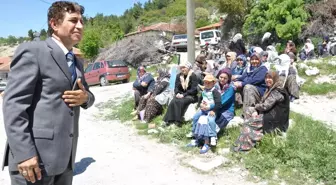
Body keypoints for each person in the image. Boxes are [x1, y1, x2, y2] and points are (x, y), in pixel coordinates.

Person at [2, 1, 95, 185]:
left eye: (82, 22)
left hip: (65, 160)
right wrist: (24, 154)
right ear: (54, 24)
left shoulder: (76, 61)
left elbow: (88, 94)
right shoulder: (34, 52)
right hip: (33, 162)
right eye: (73, 20)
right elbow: (13, 106)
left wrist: (86, 98)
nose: (80, 26)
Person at [232, 71, 289, 152]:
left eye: (270, 78)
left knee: (250, 123)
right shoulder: (270, 89)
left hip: (276, 119)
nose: (267, 80)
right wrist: (255, 109)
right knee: (249, 110)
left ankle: (245, 146)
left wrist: (256, 107)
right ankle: (246, 137)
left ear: (275, 79)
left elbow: (265, 106)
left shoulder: (277, 91)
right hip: (269, 113)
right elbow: (262, 103)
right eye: (266, 78)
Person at [187, 74, 221, 154]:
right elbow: (201, 98)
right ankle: (194, 132)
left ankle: (212, 136)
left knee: (210, 120)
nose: (207, 84)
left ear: (213, 83)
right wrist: (199, 105)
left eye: (209, 83)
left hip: (211, 110)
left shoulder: (215, 92)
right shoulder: (204, 90)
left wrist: (214, 110)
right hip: (203, 109)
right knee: (195, 117)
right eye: (205, 82)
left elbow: (219, 103)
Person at [163, 62, 198, 126]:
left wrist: (184, 95)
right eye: (181, 68)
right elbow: (176, 87)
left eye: (184, 67)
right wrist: (177, 93)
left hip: (191, 95)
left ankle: (178, 121)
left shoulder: (193, 76)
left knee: (180, 101)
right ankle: (168, 120)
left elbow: (193, 89)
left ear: (188, 68)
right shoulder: (179, 76)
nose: (182, 69)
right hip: (181, 94)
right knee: (173, 101)